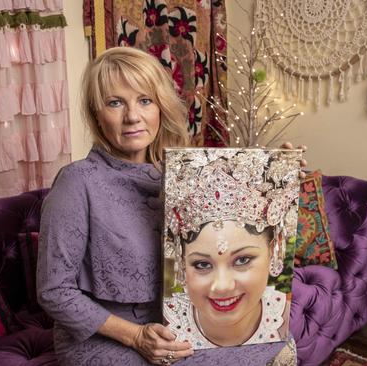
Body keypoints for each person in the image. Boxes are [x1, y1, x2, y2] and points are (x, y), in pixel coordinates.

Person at [37, 46, 298, 366]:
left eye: (145, 100)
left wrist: (276, 172)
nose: (132, 116)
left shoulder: (181, 175)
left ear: (160, 107)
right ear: (96, 115)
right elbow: (54, 291)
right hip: (105, 336)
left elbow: (234, 230)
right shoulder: (77, 182)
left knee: (277, 344)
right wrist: (135, 336)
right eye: (115, 103)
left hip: (176, 321)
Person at [162, 149, 298, 349]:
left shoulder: (282, 320)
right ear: (182, 262)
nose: (222, 286)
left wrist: (285, 162)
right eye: (202, 264)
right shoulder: (168, 327)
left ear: (272, 250)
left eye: (242, 260)